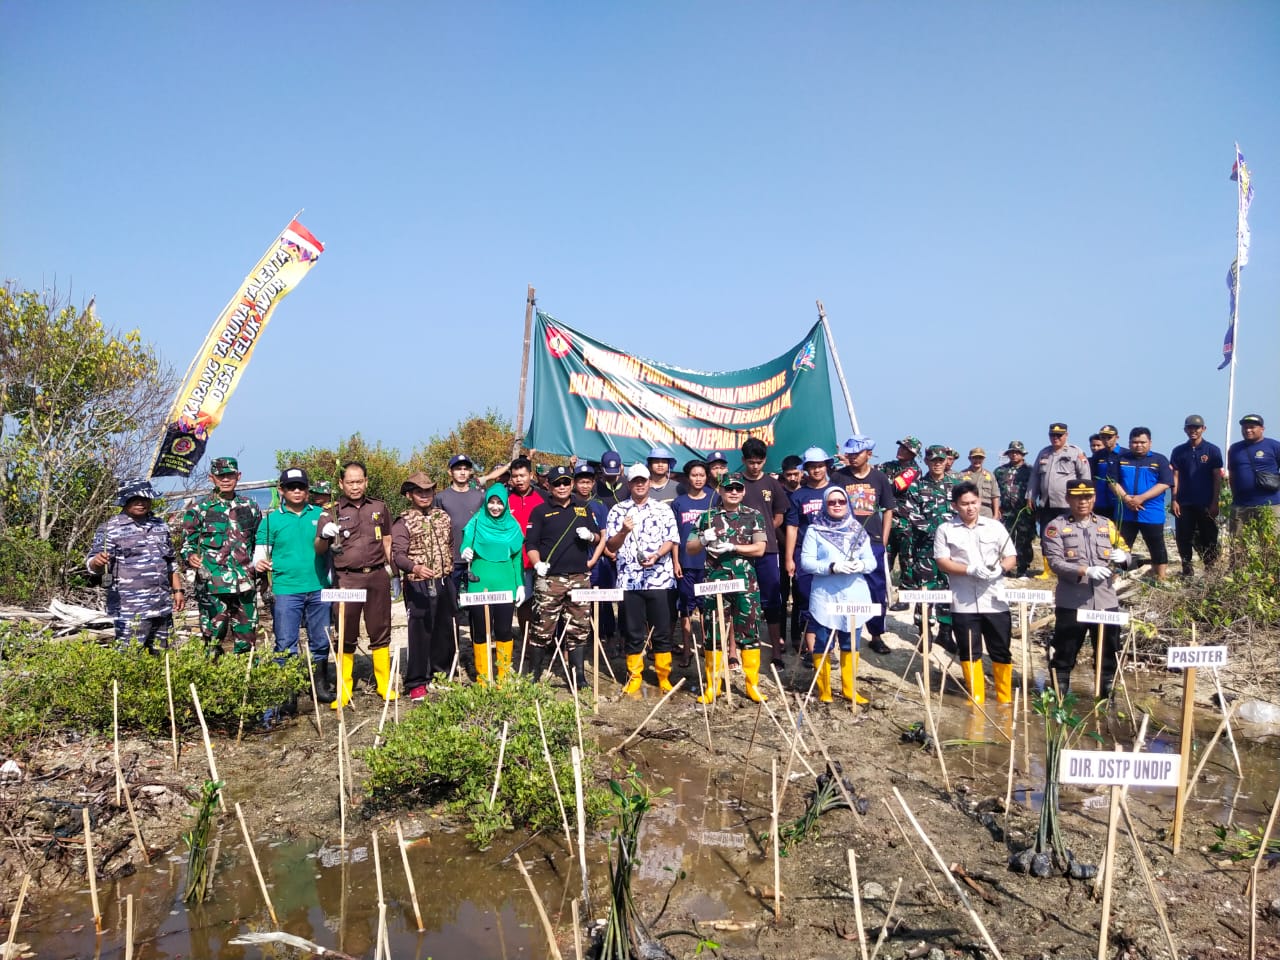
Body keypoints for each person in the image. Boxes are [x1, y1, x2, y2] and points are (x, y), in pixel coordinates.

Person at [1040, 479, 1133, 697]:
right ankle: (1058, 697)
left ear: (1094, 498)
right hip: (1073, 602)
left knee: (1109, 652)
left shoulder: (1106, 525)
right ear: (1068, 499)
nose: (1082, 502)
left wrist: (1124, 558)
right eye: (1077, 497)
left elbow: (1126, 552)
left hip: (1105, 601)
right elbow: (1055, 563)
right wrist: (1085, 570)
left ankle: (1106, 697)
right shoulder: (1056, 527)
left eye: (1087, 497)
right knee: (1065, 652)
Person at [315, 460, 395, 707]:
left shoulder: (379, 507)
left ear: (366, 481)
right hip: (347, 579)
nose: (355, 486)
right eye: (350, 482)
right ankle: (344, 689)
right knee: (345, 631)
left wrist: (394, 574)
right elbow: (319, 549)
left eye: (359, 481)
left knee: (380, 629)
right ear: (341, 484)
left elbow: (387, 540)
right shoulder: (331, 512)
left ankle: (384, 685)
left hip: (377, 576)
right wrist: (324, 536)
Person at [254, 467, 334, 701]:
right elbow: (260, 554)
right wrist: (259, 563)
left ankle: (320, 685)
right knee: (285, 641)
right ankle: (287, 691)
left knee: (321, 639)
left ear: (308, 490)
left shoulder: (321, 515)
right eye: (291, 487)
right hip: (286, 590)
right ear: (282, 490)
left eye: (301, 487)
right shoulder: (270, 521)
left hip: (319, 587)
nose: (296, 491)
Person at [687, 473, 768, 702]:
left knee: (749, 631)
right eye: (729, 488)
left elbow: (760, 548)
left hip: (745, 582)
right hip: (715, 582)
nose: (733, 492)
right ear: (720, 491)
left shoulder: (753, 515)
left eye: (738, 488)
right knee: (713, 632)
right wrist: (703, 540)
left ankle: (752, 686)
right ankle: (713, 686)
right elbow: (690, 548)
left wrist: (733, 547)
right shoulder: (707, 517)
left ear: (743, 491)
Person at [933, 481, 1017, 704]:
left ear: (980, 502)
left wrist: (1001, 568)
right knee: (969, 650)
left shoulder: (995, 527)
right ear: (954, 505)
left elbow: (1011, 556)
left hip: (995, 599)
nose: (970, 507)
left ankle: (1004, 699)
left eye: (974, 502)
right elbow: (942, 561)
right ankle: (976, 698)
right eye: (964, 504)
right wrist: (969, 569)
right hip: (964, 601)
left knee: (1000, 649)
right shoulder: (945, 530)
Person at [605, 464, 679, 693]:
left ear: (649, 483)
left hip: (660, 579)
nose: (640, 484)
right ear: (629, 484)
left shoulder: (663, 509)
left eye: (643, 480)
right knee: (633, 630)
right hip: (630, 580)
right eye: (635, 481)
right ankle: (634, 675)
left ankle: (663, 676)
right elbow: (611, 546)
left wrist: (657, 555)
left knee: (662, 630)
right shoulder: (618, 510)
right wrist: (623, 531)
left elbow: (672, 539)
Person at [799, 487, 878, 703]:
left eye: (841, 501)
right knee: (822, 641)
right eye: (832, 502)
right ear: (825, 504)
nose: (836, 505)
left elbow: (872, 561)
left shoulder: (858, 530)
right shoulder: (815, 530)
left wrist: (861, 565)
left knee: (850, 643)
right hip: (825, 595)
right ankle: (824, 690)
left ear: (847, 504)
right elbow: (806, 562)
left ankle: (849, 690)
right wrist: (831, 567)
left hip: (854, 593)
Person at [526, 466, 600, 689]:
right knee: (542, 627)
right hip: (551, 580)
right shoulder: (540, 511)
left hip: (579, 577)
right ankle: (534, 674)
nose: (562, 487)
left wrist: (591, 536)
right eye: (557, 483)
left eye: (566, 482)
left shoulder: (583, 508)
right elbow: (530, 544)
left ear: (571, 484)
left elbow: (598, 536)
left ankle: (579, 676)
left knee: (579, 628)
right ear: (549, 485)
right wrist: (537, 563)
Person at [88, 478, 183, 651]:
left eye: (145, 499)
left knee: (163, 656)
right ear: (124, 500)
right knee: (130, 657)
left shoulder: (160, 525)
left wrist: (177, 590)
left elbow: (170, 562)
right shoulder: (110, 528)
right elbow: (92, 564)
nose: (141, 503)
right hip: (130, 610)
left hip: (161, 606)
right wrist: (97, 562)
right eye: (135, 499)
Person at [181, 456, 261, 656]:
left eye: (230, 475)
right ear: (212, 478)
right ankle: (213, 676)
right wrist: (190, 557)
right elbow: (187, 545)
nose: (226, 480)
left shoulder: (250, 507)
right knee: (212, 640)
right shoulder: (199, 510)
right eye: (220, 476)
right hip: (213, 585)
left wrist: (263, 576)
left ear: (238, 476)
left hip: (245, 583)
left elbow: (259, 544)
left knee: (247, 641)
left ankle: (248, 675)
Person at [390, 471, 456, 701]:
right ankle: (417, 681)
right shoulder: (403, 521)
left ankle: (440, 674)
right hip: (418, 584)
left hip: (443, 580)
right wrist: (414, 568)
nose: (424, 495)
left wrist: (448, 566)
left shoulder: (443, 516)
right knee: (420, 632)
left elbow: (450, 544)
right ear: (410, 495)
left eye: (428, 491)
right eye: (419, 491)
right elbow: (398, 554)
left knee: (444, 630)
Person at [831, 435, 895, 655]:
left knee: (876, 588)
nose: (852, 457)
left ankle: (876, 634)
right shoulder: (838, 476)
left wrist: (884, 540)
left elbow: (888, 509)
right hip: (845, 542)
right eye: (849, 453)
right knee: (844, 587)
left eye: (856, 453)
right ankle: (843, 633)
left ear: (868, 454)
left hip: (873, 541)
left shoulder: (879, 478)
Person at [459, 484, 525, 686]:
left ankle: (503, 677)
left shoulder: (513, 526)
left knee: (504, 630)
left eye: (499, 503)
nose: (495, 507)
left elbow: (517, 558)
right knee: (480, 630)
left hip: (505, 583)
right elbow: (466, 542)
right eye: (491, 502)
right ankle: (483, 677)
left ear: (505, 504)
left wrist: (520, 585)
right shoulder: (476, 522)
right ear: (486, 502)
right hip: (480, 583)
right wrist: (465, 551)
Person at [898, 445, 958, 649]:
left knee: (949, 589)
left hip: (951, 549)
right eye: (933, 460)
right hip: (926, 547)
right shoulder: (917, 486)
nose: (937, 464)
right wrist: (933, 531)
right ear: (926, 462)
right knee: (926, 590)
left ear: (946, 461)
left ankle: (946, 632)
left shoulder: (956, 486)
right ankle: (924, 632)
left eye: (941, 460)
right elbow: (910, 513)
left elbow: (963, 511)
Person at [784, 447, 840, 657]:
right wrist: (789, 558)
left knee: (832, 599)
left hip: (833, 554)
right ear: (805, 469)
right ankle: (813, 650)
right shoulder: (799, 495)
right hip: (805, 554)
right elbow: (792, 527)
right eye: (812, 467)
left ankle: (830, 648)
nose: (816, 470)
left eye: (820, 466)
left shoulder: (836, 492)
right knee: (808, 600)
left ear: (826, 466)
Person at [739, 437, 790, 663]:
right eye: (751, 462)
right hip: (740, 550)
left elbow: (779, 516)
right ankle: (739, 649)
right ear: (743, 461)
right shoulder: (735, 483)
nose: (755, 466)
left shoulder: (772, 483)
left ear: (765, 461)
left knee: (771, 599)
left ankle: (776, 649)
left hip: (768, 550)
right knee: (741, 598)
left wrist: (764, 529)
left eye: (759, 462)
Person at [1027, 422, 1090, 579]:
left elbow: (1085, 477)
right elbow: (1035, 476)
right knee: (1047, 535)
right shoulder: (1044, 453)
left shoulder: (1075, 452)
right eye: (1052, 435)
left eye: (1059, 435)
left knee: (1071, 536)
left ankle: (1071, 568)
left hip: (1068, 504)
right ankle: (1047, 570)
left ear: (1066, 435)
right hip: (1047, 503)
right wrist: (1030, 496)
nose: (1055, 438)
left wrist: (1084, 499)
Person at [671, 461, 718, 666]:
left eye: (701, 475)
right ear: (687, 477)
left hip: (708, 562)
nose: (698, 479)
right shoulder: (679, 503)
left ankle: (708, 647)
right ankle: (687, 649)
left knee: (707, 606)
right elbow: (674, 536)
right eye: (694, 475)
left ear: (707, 477)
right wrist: (675, 561)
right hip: (686, 562)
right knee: (686, 607)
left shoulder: (714, 498)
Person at [1111, 427, 1173, 580]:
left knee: (1156, 545)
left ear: (1150, 442)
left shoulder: (1159, 460)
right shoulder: (1121, 459)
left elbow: (1165, 483)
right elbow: (1112, 481)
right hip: (1125, 511)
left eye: (1142, 442)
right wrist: (1126, 498)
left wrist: (1141, 498)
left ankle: (1161, 577)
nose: (1139, 445)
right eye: (1135, 442)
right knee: (1121, 546)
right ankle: (1116, 577)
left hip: (1151, 511)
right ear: (1129, 443)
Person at [1169, 415, 1223, 577]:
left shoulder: (1212, 450)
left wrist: (1215, 502)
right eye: (1190, 427)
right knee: (1183, 537)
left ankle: (1211, 570)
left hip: (1205, 502)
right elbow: (1175, 477)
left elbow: (1217, 477)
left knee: (1209, 537)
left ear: (1203, 429)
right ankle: (1187, 569)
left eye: (1196, 427)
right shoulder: (1179, 451)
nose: (1193, 430)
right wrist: (1174, 500)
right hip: (1184, 503)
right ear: (1185, 429)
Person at [435, 454, 486, 598]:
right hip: (451, 560)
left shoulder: (480, 496)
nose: (462, 472)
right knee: (451, 602)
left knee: (477, 603)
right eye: (458, 469)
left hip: (476, 558)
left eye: (466, 469)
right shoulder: (440, 498)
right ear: (450, 472)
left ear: (470, 472)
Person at [881, 436, 922, 605]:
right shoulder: (889, 466)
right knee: (885, 558)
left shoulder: (913, 470)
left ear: (912, 454)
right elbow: (870, 473)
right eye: (901, 447)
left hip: (906, 523)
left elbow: (894, 487)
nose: (901, 450)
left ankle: (905, 598)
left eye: (906, 449)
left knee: (907, 561)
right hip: (888, 521)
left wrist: (880, 483)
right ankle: (882, 594)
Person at [506, 457, 545, 626]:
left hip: (542, 559)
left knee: (546, 603)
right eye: (515, 476)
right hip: (518, 561)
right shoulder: (505, 500)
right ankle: (526, 640)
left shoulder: (544, 497)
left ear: (531, 475)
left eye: (522, 475)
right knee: (523, 602)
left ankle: (546, 639)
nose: (519, 480)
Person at [1227, 414, 1280, 532]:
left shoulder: (1274, 446)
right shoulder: (1235, 449)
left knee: (1270, 541)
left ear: (1262, 429)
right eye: (1245, 427)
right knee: (1238, 541)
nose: (1248, 430)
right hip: (1241, 506)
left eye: (1252, 427)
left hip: (1269, 505)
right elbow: (1232, 474)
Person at [995, 441, 1034, 577]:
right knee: (1005, 540)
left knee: (1024, 540)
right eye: (1011, 452)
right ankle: (1006, 569)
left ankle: (1022, 569)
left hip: (1024, 510)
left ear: (1023, 454)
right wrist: (997, 507)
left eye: (1017, 452)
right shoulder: (1000, 471)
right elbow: (995, 491)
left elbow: (1036, 489)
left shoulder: (1030, 470)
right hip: (1006, 511)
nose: (1014, 455)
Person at [1090, 425, 1125, 524]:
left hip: (1119, 502)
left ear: (1117, 437)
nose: (1106, 440)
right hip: (1100, 502)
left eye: (1109, 437)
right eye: (1103, 437)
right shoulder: (1097, 455)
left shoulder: (1125, 454)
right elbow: (1093, 478)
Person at [959, 448, 1000, 520]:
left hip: (986, 511)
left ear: (983, 459)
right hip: (969, 510)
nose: (977, 460)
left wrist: (996, 515)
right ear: (969, 459)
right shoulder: (962, 475)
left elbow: (995, 496)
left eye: (980, 458)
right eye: (975, 458)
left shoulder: (990, 475)